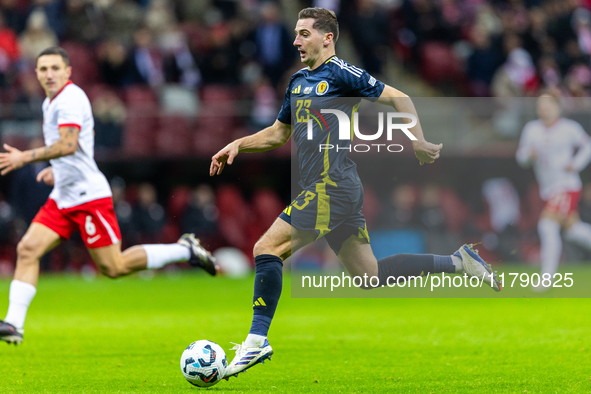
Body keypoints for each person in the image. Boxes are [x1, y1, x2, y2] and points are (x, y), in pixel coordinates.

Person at [209, 7, 502, 378]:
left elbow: (399, 97)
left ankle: (255, 341)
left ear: (327, 38)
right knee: (369, 276)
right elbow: (278, 133)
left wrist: (418, 140)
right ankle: (459, 262)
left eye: (304, 34)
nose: (296, 40)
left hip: (333, 185)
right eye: (296, 34)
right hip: (329, 188)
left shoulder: (342, 73)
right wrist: (239, 143)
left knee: (266, 249)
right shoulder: (298, 81)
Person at [0, 47, 217, 345]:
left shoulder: (70, 100)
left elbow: (68, 145)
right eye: (42, 69)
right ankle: (14, 324)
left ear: (68, 71)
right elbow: (70, 150)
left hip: (89, 196)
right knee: (27, 249)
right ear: (36, 73)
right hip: (64, 195)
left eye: (54, 68)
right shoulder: (51, 103)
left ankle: (185, 250)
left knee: (114, 267)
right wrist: (57, 170)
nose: (48, 74)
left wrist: (27, 157)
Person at [516, 94, 591, 290]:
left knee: (547, 225)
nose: (544, 110)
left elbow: (588, 145)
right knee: (573, 230)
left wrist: (576, 164)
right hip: (548, 189)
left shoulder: (569, 128)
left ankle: (546, 278)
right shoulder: (531, 129)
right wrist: (528, 156)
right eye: (540, 106)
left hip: (566, 186)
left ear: (558, 108)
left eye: (548, 105)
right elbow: (521, 156)